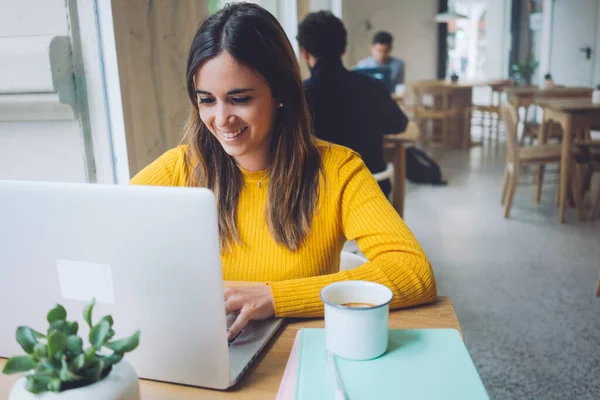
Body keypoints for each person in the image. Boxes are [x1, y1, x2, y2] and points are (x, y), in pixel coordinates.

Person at [130, 3, 436, 339]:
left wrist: (274, 297)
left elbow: (413, 273)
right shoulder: (180, 168)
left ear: (280, 93)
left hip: (299, 353)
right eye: (206, 100)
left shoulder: (338, 170)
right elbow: (101, 239)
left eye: (240, 99)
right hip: (212, 350)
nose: (220, 119)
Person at [298, 12, 408, 197]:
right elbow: (400, 124)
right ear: (343, 50)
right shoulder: (373, 87)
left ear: (305, 54)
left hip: (320, 198)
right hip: (371, 193)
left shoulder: (298, 96)